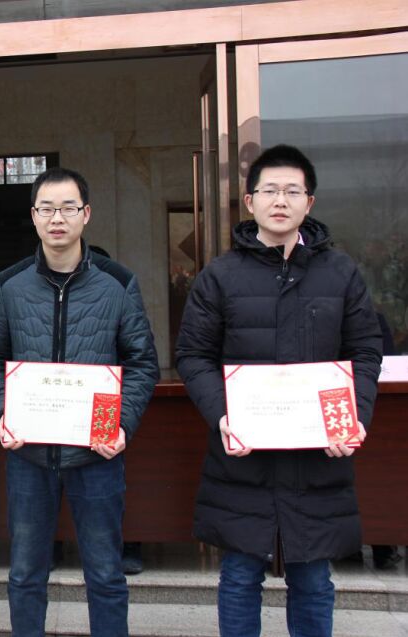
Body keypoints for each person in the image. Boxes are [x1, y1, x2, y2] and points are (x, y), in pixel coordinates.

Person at [175, 144, 383, 637]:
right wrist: (224, 417)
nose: (280, 200)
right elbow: (193, 356)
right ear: (250, 202)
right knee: (239, 576)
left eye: (292, 191)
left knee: (313, 578)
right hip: (243, 458)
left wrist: (354, 418)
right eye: (269, 190)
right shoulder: (220, 276)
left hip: (316, 457)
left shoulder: (341, 273)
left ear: (309, 202)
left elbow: (365, 352)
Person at [0, 167, 159, 637]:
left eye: (67, 208)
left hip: (96, 454)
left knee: (105, 574)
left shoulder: (118, 283)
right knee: (25, 574)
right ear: (33, 216)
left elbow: (142, 363)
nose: (56, 218)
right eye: (46, 208)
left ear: (86, 214)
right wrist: (1, 415)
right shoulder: (10, 284)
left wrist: (122, 425)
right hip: (29, 455)